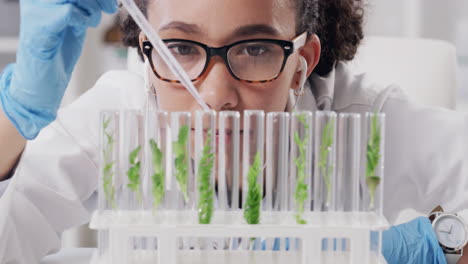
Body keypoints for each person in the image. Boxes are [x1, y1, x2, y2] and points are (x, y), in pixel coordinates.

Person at [0, 0, 467, 263]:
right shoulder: (123, 117)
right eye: (181, 47)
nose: (217, 94)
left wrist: (437, 244)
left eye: (257, 48)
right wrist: (13, 117)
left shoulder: (358, 122)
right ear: (147, 51)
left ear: (301, 65)